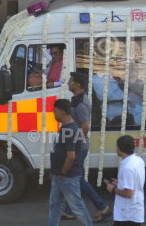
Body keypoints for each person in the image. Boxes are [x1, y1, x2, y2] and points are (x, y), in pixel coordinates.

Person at [61, 72, 111, 223]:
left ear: (76, 85)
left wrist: (75, 143)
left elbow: (86, 126)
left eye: (70, 81)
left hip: (79, 147)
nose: (68, 83)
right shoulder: (77, 99)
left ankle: (101, 206)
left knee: (77, 178)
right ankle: (70, 211)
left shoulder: (81, 102)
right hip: (77, 145)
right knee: (74, 178)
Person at [48, 99, 92, 226]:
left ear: (62, 113)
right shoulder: (66, 127)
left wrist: (62, 174)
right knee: (55, 205)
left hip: (68, 176)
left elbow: (71, 156)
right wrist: (55, 172)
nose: (53, 113)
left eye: (55, 111)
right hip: (59, 175)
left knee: (77, 207)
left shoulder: (71, 130)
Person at [105, 135, 146, 226]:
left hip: (127, 213)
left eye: (116, 146)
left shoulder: (127, 167)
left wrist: (112, 189)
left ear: (119, 148)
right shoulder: (139, 160)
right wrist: (121, 183)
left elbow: (128, 193)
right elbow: (136, 181)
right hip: (135, 210)